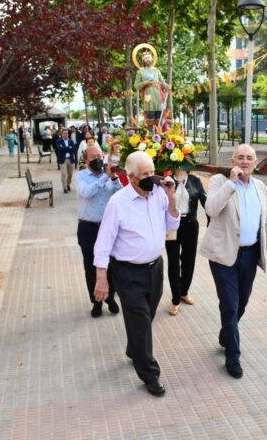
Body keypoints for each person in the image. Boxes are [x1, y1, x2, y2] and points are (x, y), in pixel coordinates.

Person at [93, 151, 180, 397]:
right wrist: (101, 280)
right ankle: (150, 374)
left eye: (153, 172)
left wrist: (171, 200)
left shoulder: (159, 196)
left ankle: (135, 348)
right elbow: (103, 244)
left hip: (155, 269)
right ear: (130, 177)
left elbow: (173, 226)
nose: (151, 178)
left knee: (146, 316)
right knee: (141, 323)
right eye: (145, 174)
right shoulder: (118, 203)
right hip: (128, 273)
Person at [199, 144, 267, 379]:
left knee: (241, 303)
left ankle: (227, 333)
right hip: (223, 255)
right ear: (233, 161)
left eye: (249, 158)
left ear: (255, 163)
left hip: (249, 254)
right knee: (230, 304)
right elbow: (211, 209)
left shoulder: (261, 188)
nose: (245, 162)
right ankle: (232, 356)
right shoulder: (219, 182)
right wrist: (231, 183)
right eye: (240, 158)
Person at [76, 146, 122, 318]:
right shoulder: (81, 176)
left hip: (107, 228)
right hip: (88, 227)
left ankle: (110, 298)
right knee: (91, 267)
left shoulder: (109, 175)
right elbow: (87, 193)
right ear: (86, 160)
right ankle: (96, 302)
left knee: (110, 265)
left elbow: (120, 195)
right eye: (93, 156)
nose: (97, 159)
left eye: (99, 156)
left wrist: (115, 178)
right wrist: (105, 177)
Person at [165, 169, 207, 316]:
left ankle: (184, 292)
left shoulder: (195, 180)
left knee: (189, 261)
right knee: (174, 263)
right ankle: (175, 299)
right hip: (172, 224)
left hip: (190, 223)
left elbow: (205, 200)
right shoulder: (167, 179)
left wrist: (213, 220)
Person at [134, 50, 168, 127]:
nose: (148, 59)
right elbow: (136, 85)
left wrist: (167, 86)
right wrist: (146, 83)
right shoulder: (140, 72)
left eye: (149, 57)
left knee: (159, 116)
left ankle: (158, 136)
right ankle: (149, 135)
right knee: (150, 116)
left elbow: (162, 81)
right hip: (148, 95)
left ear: (152, 59)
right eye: (146, 58)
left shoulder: (157, 70)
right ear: (143, 60)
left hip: (158, 95)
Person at [55, 129, 76, 193]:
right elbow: (59, 149)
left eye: (67, 133)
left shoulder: (71, 141)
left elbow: (73, 149)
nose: (66, 134)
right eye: (64, 133)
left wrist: (66, 148)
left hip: (70, 159)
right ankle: (64, 188)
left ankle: (68, 184)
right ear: (62, 134)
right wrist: (69, 148)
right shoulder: (59, 141)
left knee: (70, 174)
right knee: (64, 174)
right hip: (63, 159)